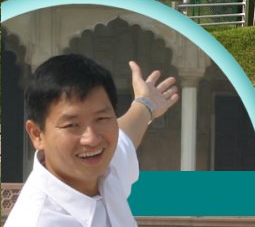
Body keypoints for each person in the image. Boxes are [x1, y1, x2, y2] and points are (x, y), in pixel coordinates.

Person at [7, 54, 180, 226]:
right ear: (37, 134)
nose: (91, 139)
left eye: (101, 119)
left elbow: (127, 134)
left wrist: (146, 104)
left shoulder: (106, 170)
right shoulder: (38, 220)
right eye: (72, 125)